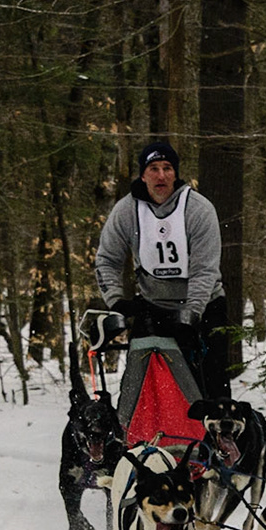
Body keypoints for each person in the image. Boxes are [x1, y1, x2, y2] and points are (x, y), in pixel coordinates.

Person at [93, 140, 232, 399]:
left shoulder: (198, 209)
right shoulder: (127, 211)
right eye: (154, 168)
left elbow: (205, 270)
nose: (161, 176)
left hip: (204, 306)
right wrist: (116, 301)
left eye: (167, 168)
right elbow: (106, 259)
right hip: (153, 306)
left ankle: (216, 422)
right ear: (143, 175)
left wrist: (191, 314)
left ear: (175, 174)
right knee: (142, 389)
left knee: (211, 389)